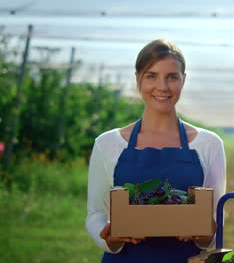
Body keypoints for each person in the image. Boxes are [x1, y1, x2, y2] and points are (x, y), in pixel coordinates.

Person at [86, 39, 226, 263]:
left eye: (172, 77)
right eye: (151, 76)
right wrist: (110, 238)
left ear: (183, 80)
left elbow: (213, 222)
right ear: (138, 79)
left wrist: (205, 233)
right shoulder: (108, 144)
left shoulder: (208, 144)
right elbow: (95, 214)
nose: (162, 87)